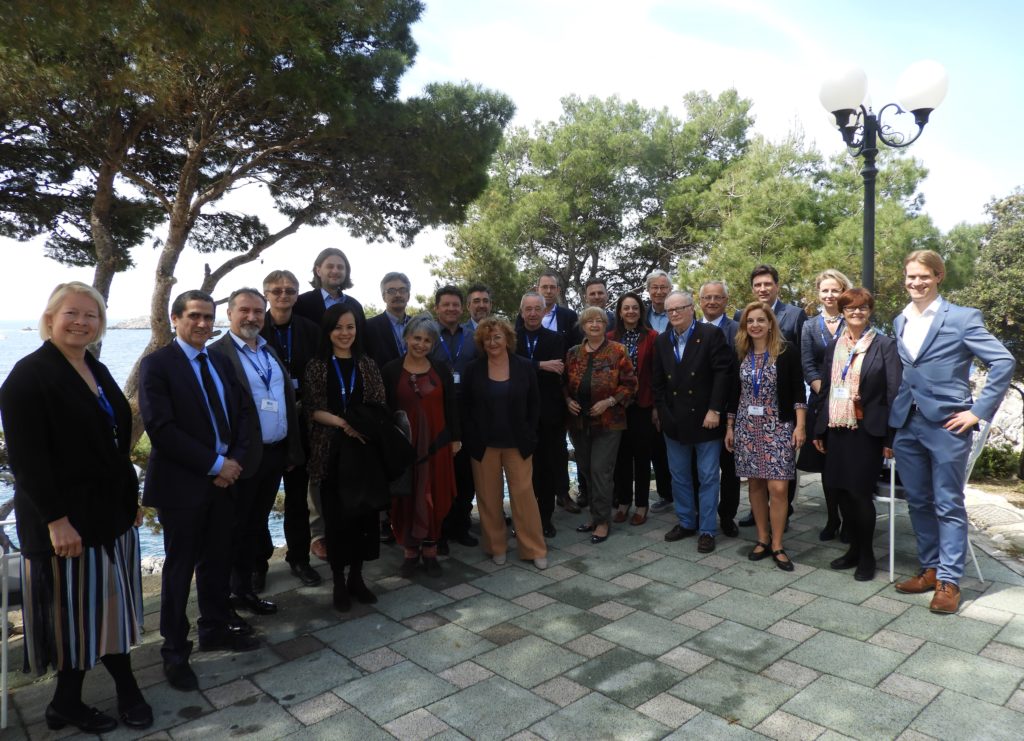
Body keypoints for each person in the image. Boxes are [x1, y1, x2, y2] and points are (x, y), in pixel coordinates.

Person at [0, 282, 151, 733]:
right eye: (72, 313)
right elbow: (27, 461)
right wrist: (56, 521)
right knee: (82, 616)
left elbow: (114, 442)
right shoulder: (28, 377)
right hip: (66, 522)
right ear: (50, 318)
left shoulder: (93, 366)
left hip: (109, 515)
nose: (82, 322)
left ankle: (71, 702)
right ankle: (117, 691)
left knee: (107, 608)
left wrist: (130, 500)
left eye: (91, 315)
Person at [139, 290, 257, 694]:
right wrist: (215, 464)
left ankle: (215, 628)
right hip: (182, 487)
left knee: (217, 561)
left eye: (209, 316)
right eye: (194, 316)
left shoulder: (220, 361)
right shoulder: (157, 365)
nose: (203, 324)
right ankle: (174, 651)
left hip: (225, 483)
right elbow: (161, 428)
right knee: (178, 571)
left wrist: (233, 462)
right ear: (175, 319)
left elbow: (243, 413)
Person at [890, 250, 1015, 614]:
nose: (916, 282)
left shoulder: (961, 318)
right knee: (918, 501)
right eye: (911, 276)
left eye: (923, 276)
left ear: (938, 276)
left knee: (948, 503)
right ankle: (930, 569)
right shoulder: (900, 320)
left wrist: (977, 412)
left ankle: (949, 581)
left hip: (947, 425)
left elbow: (1003, 360)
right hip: (907, 423)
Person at [211, 288, 303, 617]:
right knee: (233, 529)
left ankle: (243, 591)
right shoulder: (217, 354)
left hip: (273, 455)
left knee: (254, 525)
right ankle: (224, 602)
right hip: (241, 459)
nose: (252, 317)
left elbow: (285, 402)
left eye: (258, 312)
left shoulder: (267, 350)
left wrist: (291, 449)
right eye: (244, 310)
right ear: (229, 314)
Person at [305, 304, 393, 610]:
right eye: (338, 327)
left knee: (364, 519)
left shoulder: (367, 363)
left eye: (350, 327)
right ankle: (339, 582)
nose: (345, 333)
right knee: (337, 521)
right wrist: (344, 423)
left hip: (364, 451)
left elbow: (379, 403)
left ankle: (357, 577)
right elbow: (312, 409)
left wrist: (361, 425)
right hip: (330, 452)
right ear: (328, 331)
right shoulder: (317, 365)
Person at [813, 288, 901, 582]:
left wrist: (890, 438)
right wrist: (819, 428)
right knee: (840, 493)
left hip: (867, 432)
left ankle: (867, 556)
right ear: (842, 312)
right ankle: (852, 550)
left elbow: (894, 392)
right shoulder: (834, 346)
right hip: (837, 429)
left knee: (860, 494)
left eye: (862, 307)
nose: (856, 312)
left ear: (870, 311)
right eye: (850, 308)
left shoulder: (884, 345)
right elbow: (826, 389)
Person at [725, 302, 806, 572]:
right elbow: (733, 392)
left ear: (770, 323)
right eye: (750, 321)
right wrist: (730, 426)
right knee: (756, 484)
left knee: (779, 487)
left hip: (779, 426)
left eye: (761, 320)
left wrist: (800, 426)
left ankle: (778, 544)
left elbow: (798, 391)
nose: (755, 325)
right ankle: (762, 538)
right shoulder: (740, 353)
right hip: (747, 427)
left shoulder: (786, 351)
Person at [463, 317, 548, 569]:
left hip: (518, 443)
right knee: (489, 498)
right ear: (481, 342)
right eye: (487, 338)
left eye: (497, 337)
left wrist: (530, 433)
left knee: (524, 497)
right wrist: (471, 436)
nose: (492, 342)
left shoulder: (524, 366)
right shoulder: (472, 369)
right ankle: (496, 546)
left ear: (507, 339)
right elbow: (465, 407)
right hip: (484, 445)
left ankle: (533, 548)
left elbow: (534, 404)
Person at [652, 291, 732, 554]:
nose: (674, 313)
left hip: (706, 419)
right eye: (669, 310)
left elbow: (723, 374)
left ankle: (707, 529)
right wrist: (663, 412)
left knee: (708, 477)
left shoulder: (710, 334)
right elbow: (657, 382)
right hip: (674, 421)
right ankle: (686, 521)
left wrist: (715, 410)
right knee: (679, 476)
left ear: (691, 309)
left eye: (679, 308)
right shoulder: (662, 341)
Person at [382, 314, 461, 577]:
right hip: (404, 447)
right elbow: (384, 410)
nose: (421, 344)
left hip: (437, 445)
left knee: (435, 496)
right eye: (417, 338)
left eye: (427, 340)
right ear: (406, 337)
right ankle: (409, 552)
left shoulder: (441, 369)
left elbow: (451, 405)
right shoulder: (391, 370)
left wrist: (455, 438)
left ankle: (430, 551)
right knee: (404, 498)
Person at [260, 269, 324, 582]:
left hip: (302, 424)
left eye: (290, 290)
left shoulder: (310, 330)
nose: (283, 295)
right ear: (266, 295)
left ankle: (299, 559)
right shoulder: (255, 329)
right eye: (277, 290)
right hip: (264, 427)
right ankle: (257, 564)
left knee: (298, 499)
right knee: (260, 500)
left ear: (297, 295)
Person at [735, 264, 807, 528]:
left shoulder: (795, 314)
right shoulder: (741, 319)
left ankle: (782, 515)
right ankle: (760, 519)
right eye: (758, 285)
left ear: (776, 285)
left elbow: (799, 369)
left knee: (781, 481)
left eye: (767, 284)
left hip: (780, 416)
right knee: (755, 480)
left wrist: (800, 423)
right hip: (749, 420)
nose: (762, 288)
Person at [565, 307, 637, 544]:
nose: (594, 325)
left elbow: (630, 384)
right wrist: (568, 401)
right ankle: (595, 516)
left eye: (599, 321)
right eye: (589, 321)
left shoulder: (618, 351)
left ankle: (603, 521)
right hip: (579, 423)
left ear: (606, 325)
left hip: (608, 423)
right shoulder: (573, 353)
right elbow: (563, 384)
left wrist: (609, 402)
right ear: (582, 326)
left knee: (600, 471)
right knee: (586, 469)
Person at [799, 269, 853, 541]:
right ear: (818, 294)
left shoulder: (853, 320)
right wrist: (826, 392)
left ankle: (850, 520)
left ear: (843, 292)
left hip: (850, 403)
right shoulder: (809, 326)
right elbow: (807, 364)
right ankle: (832, 518)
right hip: (820, 403)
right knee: (826, 464)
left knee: (846, 463)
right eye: (825, 290)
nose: (830, 295)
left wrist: (843, 394)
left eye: (835, 290)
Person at [517, 292, 575, 528]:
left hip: (550, 413)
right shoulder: (512, 338)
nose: (532, 313)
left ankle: (545, 518)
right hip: (520, 413)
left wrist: (526, 366)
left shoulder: (556, 339)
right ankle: (525, 519)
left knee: (548, 468)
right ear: (521, 312)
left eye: (537, 309)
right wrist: (540, 365)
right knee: (524, 470)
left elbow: (558, 368)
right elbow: (510, 366)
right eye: (528, 309)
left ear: (544, 312)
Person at [429, 285, 480, 550]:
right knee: (439, 473)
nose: (451, 309)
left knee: (465, 475)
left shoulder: (473, 338)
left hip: (467, 412)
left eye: (455, 305)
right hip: (437, 411)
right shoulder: (427, 336)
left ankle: (461, 526)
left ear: (462, 308)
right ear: (436, 308)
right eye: (446, 304)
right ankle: (439, 530)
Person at [609, 292, 658, 526]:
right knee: (621, 456)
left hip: (643, 404)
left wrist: (656, 406)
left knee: (642, 456)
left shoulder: (652, 337)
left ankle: (641, 504)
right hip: (617, 406)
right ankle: (623, 502)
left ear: (641, 312)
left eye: (635, 308)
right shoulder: (610, 337)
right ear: (619, 312)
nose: (630, 312)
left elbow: (658, 373)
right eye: (626, 308)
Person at [698, 280, 741, 536]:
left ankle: (727, 516)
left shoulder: (737, 330)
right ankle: (701, 514)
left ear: (726, 301)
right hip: (698, 413)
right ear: (700, 301)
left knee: (730, 468)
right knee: (700, 469)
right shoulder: (690, 328)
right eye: (707, 297)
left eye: (717, 297)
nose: (712, 302)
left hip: (730, 409)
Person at [643, 269, 675, 515]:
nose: (659, 291)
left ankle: (683, 493)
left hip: (676, 384)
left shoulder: (679, 311)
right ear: (648, 290)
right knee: (656, 445)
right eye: (655, 287)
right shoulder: (641, 315)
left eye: (663, 287)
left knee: (678, 442)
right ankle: (666, 494)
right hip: (648, 384)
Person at [293, 247, 367, 330]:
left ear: (346, 272)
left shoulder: (355, 306)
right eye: (330, 266)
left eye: (340, 267)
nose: (335, 271)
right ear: (318, 271)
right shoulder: (301, 303)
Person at [365, 271, 412, 370]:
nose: (398, 295)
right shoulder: (369, 327)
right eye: (391, 291)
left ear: (408, 295)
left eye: (402, 290)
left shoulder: (417, 324)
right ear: (383, 297)